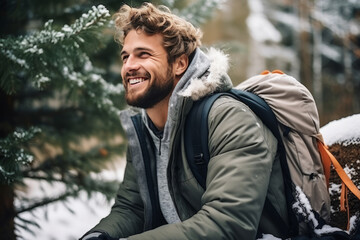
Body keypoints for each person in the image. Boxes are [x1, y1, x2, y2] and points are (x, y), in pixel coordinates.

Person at [81, 2, 288, 240]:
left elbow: (228, 225)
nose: (129, 66)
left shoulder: (228, 118)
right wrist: (99, 235)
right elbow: (133, 208)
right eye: (125, 56)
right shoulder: (145, 130)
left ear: (180, 63)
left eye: (143, 54)